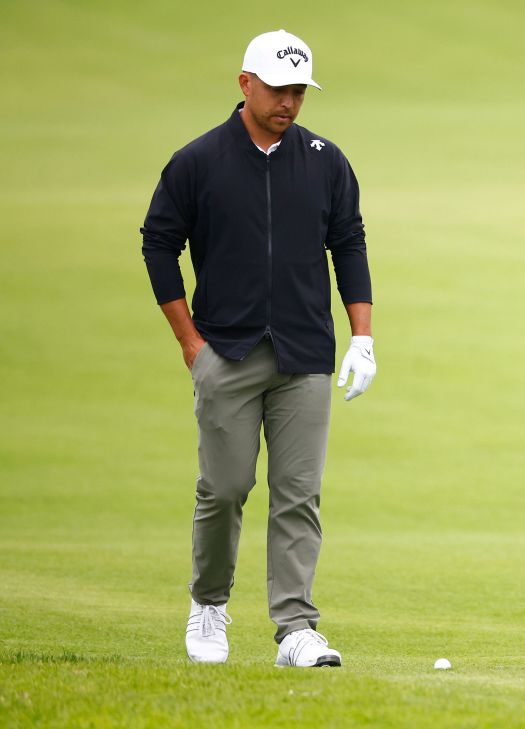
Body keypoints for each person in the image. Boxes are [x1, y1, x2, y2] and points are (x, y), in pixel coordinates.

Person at [141, 29, 376, 668]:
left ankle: (296, 628)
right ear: (245, 83)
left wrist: (363, 337)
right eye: (278, 89)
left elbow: (348, 243)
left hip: (305, 354)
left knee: (298, 492)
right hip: (228, 351)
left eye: (299, 91)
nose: (289, 103)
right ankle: (209, 606)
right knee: (224, 487)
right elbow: (158, 243)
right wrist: (190, 342)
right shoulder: (198, 161)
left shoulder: (326, 161)